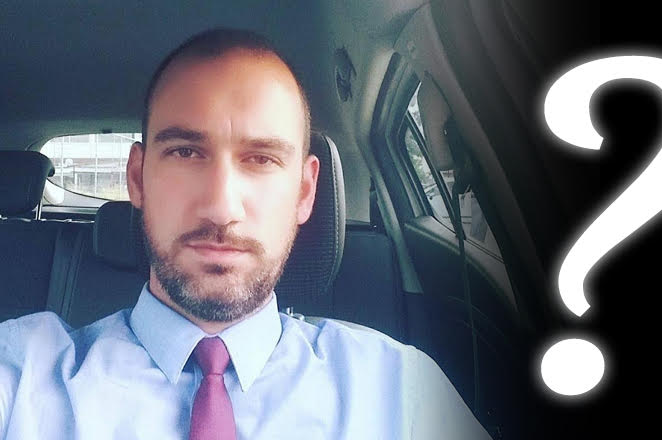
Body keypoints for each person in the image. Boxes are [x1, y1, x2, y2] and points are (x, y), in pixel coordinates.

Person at [0, 29, 491, 439]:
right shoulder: (22, 378)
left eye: (261, 159)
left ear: (304, 192)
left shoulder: (399, 391)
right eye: (186, 152)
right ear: (137, 178)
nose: (221, 208)